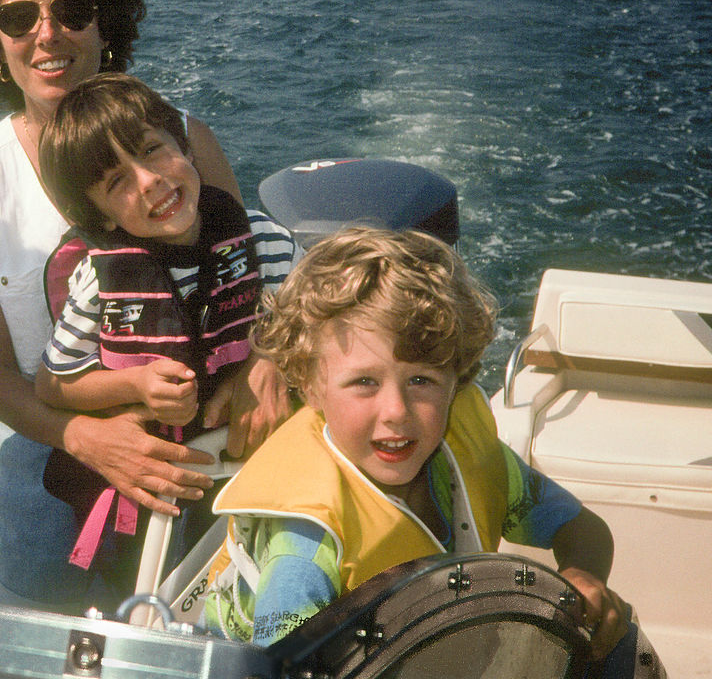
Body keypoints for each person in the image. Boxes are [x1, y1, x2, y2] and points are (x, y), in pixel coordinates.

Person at [0, 0, 296, 612]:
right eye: (19, 17)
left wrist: (264, 364)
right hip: (46, 456)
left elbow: (255, 281)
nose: (47, 36)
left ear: (106, 23)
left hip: (202, 445)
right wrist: (88, 439)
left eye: (71, 11)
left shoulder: (185, 142)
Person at [203, 228, 633, 665]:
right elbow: (275, 668)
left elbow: (583, 529)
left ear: (456, 381)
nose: (396, 410)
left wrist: (583, 575)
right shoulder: (306, 547)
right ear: (311, 388)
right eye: (364, 382)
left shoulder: (471, 455)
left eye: (421, 381)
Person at [33, 73, 294, 592]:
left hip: (252, 466)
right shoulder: (97, 283)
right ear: (99, 217)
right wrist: (134, 386)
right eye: (117, 183)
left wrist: (267, 359)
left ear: (187, 149)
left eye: (152, 151)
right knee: (149, 592)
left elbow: (318, 321)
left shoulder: (266, 241)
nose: (148, 180)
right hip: (148, 485)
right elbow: (53, 384)